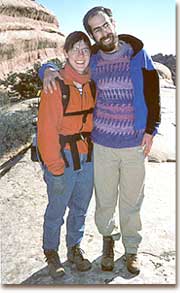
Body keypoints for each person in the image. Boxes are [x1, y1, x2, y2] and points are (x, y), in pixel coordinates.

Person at [39, 6, 161, 275]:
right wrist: (46, 69)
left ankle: (131, 249)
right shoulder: (93, 59)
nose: (103, 31)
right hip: (102, 145)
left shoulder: (139, 56)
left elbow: (154, 94)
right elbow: (64, 68)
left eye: (105, 25)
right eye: (96, 29)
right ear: (93, 35)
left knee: (131, 202)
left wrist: (151, 129)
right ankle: (108, 242)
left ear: (113, 23)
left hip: (132, 144)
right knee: (104, 202)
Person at [37, 31, 95, 279]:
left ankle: (74, 248)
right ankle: (51, 252)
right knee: (57, 209)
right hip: (63, 158)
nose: (81, 55)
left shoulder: (94, 82)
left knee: (80, 208)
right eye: (75, 49)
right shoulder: (55, 85)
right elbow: (46, 131)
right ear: (66, 53)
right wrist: (55, 167)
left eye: (85, 49)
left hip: (88, 158)